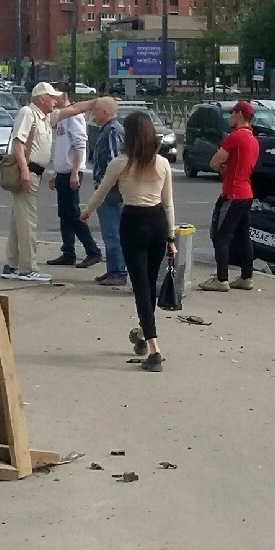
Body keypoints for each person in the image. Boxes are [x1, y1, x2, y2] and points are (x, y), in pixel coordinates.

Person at [82, 110, 176, 370]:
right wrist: (171, 236)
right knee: (149, 283)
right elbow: (168, 204)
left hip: (132, 222)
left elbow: (101, 191)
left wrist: (86, 212)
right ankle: (143, 334)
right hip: (157, 223)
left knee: (141, 288)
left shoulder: (120, 163)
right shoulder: (162, 164)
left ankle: (154, 349)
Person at [4, 82, 96, 283]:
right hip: (28, 171)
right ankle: (28, 268)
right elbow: (18, 142)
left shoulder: (44, 117)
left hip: (33, 172)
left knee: (18, 220)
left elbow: (72, 110)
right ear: (41, 98)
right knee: (27, 221)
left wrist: (95, 102)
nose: (55, 101)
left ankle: (11, 265)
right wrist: (25, 171)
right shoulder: (28, 113)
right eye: (52, 97)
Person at [201, 100, 259, 292]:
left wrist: (221, 168)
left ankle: (221, 278)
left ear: (240, 114)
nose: (230, 116)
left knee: (220, 236)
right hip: (246, 192)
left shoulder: (235, 137)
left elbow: (214, 162)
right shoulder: (253, 139)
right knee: (243, 236)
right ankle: (246, 276)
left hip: (232, 193)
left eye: (232, 113)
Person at [45, 89, 101, 270]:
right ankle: (68, 251)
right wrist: (57, 172)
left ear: (65, 96)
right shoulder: (62, 118)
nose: (54, 99)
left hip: (71, 172)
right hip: (63, 172)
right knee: (64, 215)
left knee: (73, 215)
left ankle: (93, 251)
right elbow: (62, 148)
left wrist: (75, 171)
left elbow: (79, 145)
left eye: (56, 95)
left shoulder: (74, 117)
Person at [86, 98, 128, 289]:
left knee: (113, 232)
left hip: (110, 191)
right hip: (110, 189)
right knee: (111, 231)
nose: (93, 114)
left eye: (95, 111)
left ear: (105, 112)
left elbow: (113, 161)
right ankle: (114, 269)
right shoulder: (111, 130)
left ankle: (117, 272)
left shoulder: (111, 131)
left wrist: (103, 181)